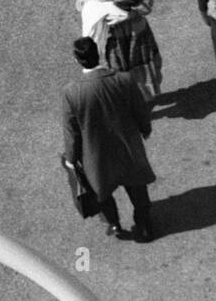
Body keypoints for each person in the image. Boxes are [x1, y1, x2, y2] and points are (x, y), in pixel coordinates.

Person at [62, 37, 156, 242]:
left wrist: (71, 157)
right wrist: (145, 128)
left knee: (101, 190)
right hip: (127, 144)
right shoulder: (124, 79)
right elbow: (140, 108)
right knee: (138, 186)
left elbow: (72, 131)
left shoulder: (72, 92)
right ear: (99, 53)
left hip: (95, 152)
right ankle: (144, 223)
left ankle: (113, 223)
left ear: (77, 60)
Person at [78, 0, 162, 100]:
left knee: (139, 73)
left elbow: (147, 2)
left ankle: (141, 103)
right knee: (114, 73)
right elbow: (86, 7)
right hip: (110, 38)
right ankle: (122, 106)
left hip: (135, 35)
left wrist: (128, 14)